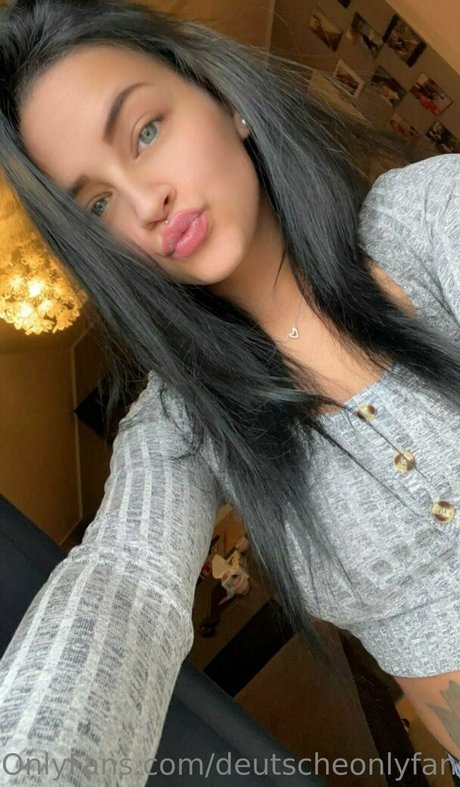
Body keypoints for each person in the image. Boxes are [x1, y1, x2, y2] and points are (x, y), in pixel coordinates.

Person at [0, 0, 459, 784]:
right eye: (98, 204)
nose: (144, 202)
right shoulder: (184, 423)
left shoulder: (426, 216)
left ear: (224, 99)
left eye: (146, 131)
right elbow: (127, 584)